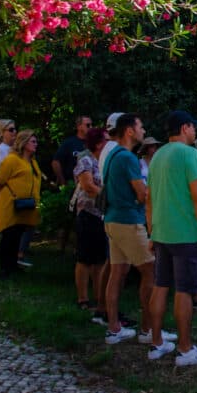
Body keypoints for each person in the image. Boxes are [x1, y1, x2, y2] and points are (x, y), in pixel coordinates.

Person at [145, 110, 197, 365]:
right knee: (184, 290)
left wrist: (151, 232)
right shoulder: (190, 154)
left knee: (161, 286)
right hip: (185, 233)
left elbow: (149, 198)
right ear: (185, 127)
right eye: (193, 127)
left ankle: (156, 342)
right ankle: (185, 349)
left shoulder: (157, 155)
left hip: (162, 231)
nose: (195, 131)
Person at [101, 113, 162, 346]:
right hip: (128, 221)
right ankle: (149, 329)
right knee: (151, 272)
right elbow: (141, 194)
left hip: (113, 219)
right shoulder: (127, 157)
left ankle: (113, 327)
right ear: (129, 130)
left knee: (118, 273)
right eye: (140, 126)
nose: (143, 131)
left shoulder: (111, 154)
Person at [0, 130, 43, 279]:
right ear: (24, 143)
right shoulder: (12, 160)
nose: (36, 144)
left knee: (18, 235)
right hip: (11, 204)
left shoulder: (33, 162)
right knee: (9, 235)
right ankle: (4, 269)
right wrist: (1, 198)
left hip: (27, 205)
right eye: (33, 142)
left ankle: (13, 265)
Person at [71, 127, 110, 313]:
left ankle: (99, 296)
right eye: (106, 140)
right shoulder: (85, 159)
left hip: (101, 214)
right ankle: (82, 298)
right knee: (85, 257)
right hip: (87, 213)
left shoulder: (104, 161)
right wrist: (109, 195)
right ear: (98, 142)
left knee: (100, 258)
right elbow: (87, 185)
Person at [52, 115, 92, 187]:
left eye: (91, 125)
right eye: (88, 125)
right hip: (74, 184)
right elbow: (55, 162)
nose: (91, 127)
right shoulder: (69, 143)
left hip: (92, 183)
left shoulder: (94, 142)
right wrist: (63, 183)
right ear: (79, 126)